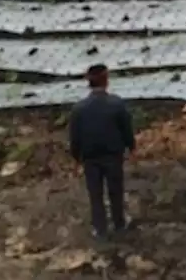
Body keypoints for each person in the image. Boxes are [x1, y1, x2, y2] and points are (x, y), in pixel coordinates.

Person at [68, 64, 135, 240]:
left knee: (95, 193)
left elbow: (75, 137)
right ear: (106, 81)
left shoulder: (79, 109)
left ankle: (100, 228)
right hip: (113, 155)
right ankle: (119, 224)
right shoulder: (117, 104)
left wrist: (76, 158)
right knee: (115, 190)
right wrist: (132, 147)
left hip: (91, 158)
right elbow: (126, 129)